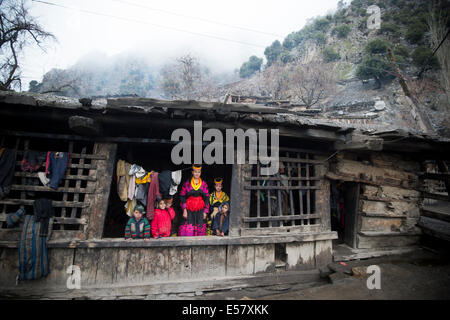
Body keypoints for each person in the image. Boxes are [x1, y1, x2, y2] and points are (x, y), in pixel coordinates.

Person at [179, 164, 209, 236]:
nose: (197, 174)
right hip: (189, 210)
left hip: (200, 210)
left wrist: (205, 211)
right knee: (188, 229)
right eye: (195, 172)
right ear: (192, 172)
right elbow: (182, 197)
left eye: (199, 172)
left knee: (200, 228)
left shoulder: (204, 184)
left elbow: (207, 198)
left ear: (201, 173)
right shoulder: (187, 184)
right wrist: (184, 210)